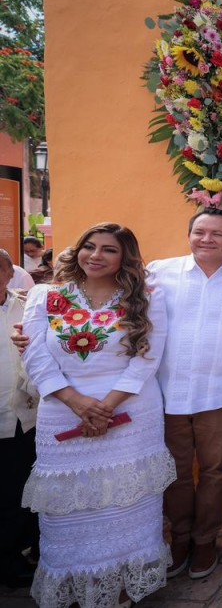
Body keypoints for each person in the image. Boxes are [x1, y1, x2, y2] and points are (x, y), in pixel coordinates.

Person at [21, 223, 174, 608]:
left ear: (125, 258)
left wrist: (106, 406)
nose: (96, 255)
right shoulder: (46, 297)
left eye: (109, 249)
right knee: (68, 508)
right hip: (61, 411)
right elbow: (35, 354)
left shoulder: (146, 298)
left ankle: (122, 584)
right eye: (89, 246)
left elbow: (148, 358)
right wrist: (75, 402)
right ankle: (76, 585)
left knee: (127, 504)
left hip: (130, 412)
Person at [148, 208, 222, 580]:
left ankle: (204, 541)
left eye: (216, 234)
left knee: (214, 472)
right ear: (189, 235)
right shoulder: (159, 274)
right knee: (176, 473)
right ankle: (179, 537)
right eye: (199, 232)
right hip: (168, 394)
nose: (206, 239)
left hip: (220, 394)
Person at [0, 248, 37, 589]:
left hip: (18, 416)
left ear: (8, 273)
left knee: (15, 494)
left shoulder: (26, 305)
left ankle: (11, 561)